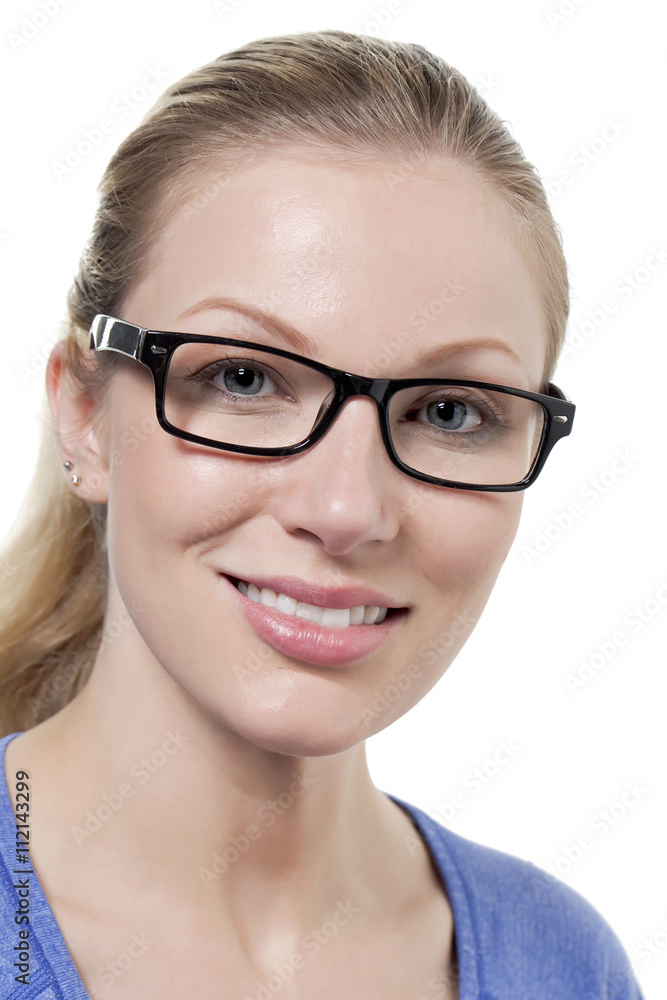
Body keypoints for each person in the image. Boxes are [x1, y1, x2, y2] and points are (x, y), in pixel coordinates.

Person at [0, 29, 643, 1000]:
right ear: (85, 415)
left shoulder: (560, 965)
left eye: (449, 411)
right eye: (245, 377)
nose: (345, 509)